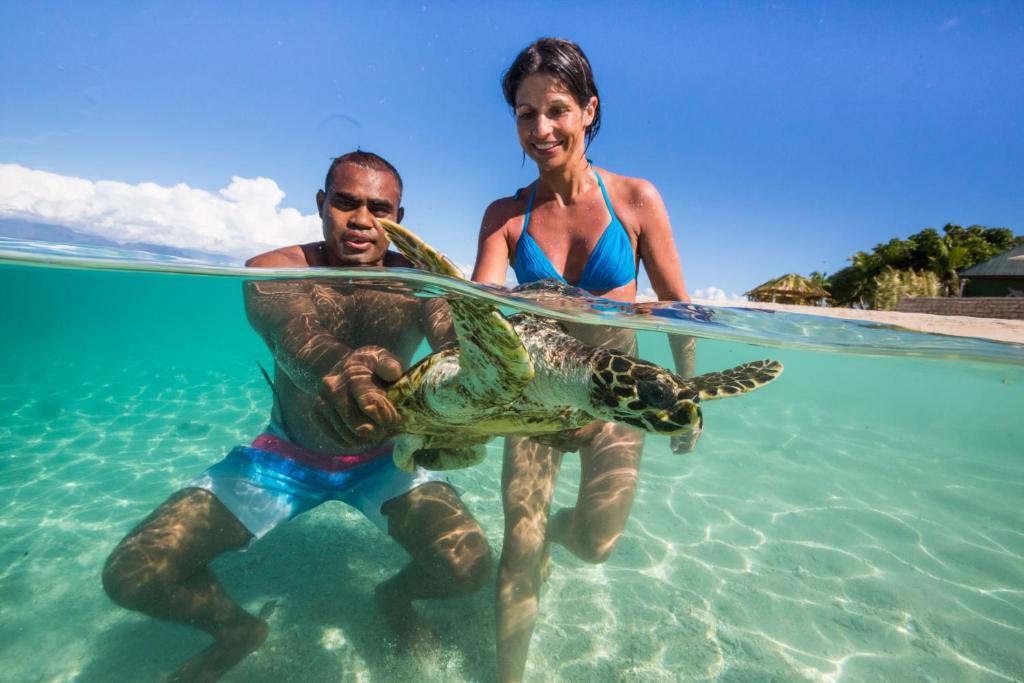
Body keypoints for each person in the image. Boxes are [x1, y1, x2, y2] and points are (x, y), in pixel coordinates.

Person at [102, 151, 491, 682]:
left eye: (380, 209)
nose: (361, 220)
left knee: (467, 566)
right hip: (286, 456)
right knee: (133, 575)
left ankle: (394, 596)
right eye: (345, 202)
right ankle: (237, 630)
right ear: (320, 203)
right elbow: (295, 335)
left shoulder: (424, 282)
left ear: (400, 218)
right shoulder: (274, 270)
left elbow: (462, 347)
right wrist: (344, 370)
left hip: (389, 457)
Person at [471, 38, 699, 682]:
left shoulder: (635, 200)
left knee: (596, 544)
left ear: (589, 111)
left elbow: (678, 305)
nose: (540, 129)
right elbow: (479, 311)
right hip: (539, 401)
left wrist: (687, 398)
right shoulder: (504, 218)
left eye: (558, 110)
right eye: (524, 113)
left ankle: (552, 540)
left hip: (616, 403)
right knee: (518, 544)